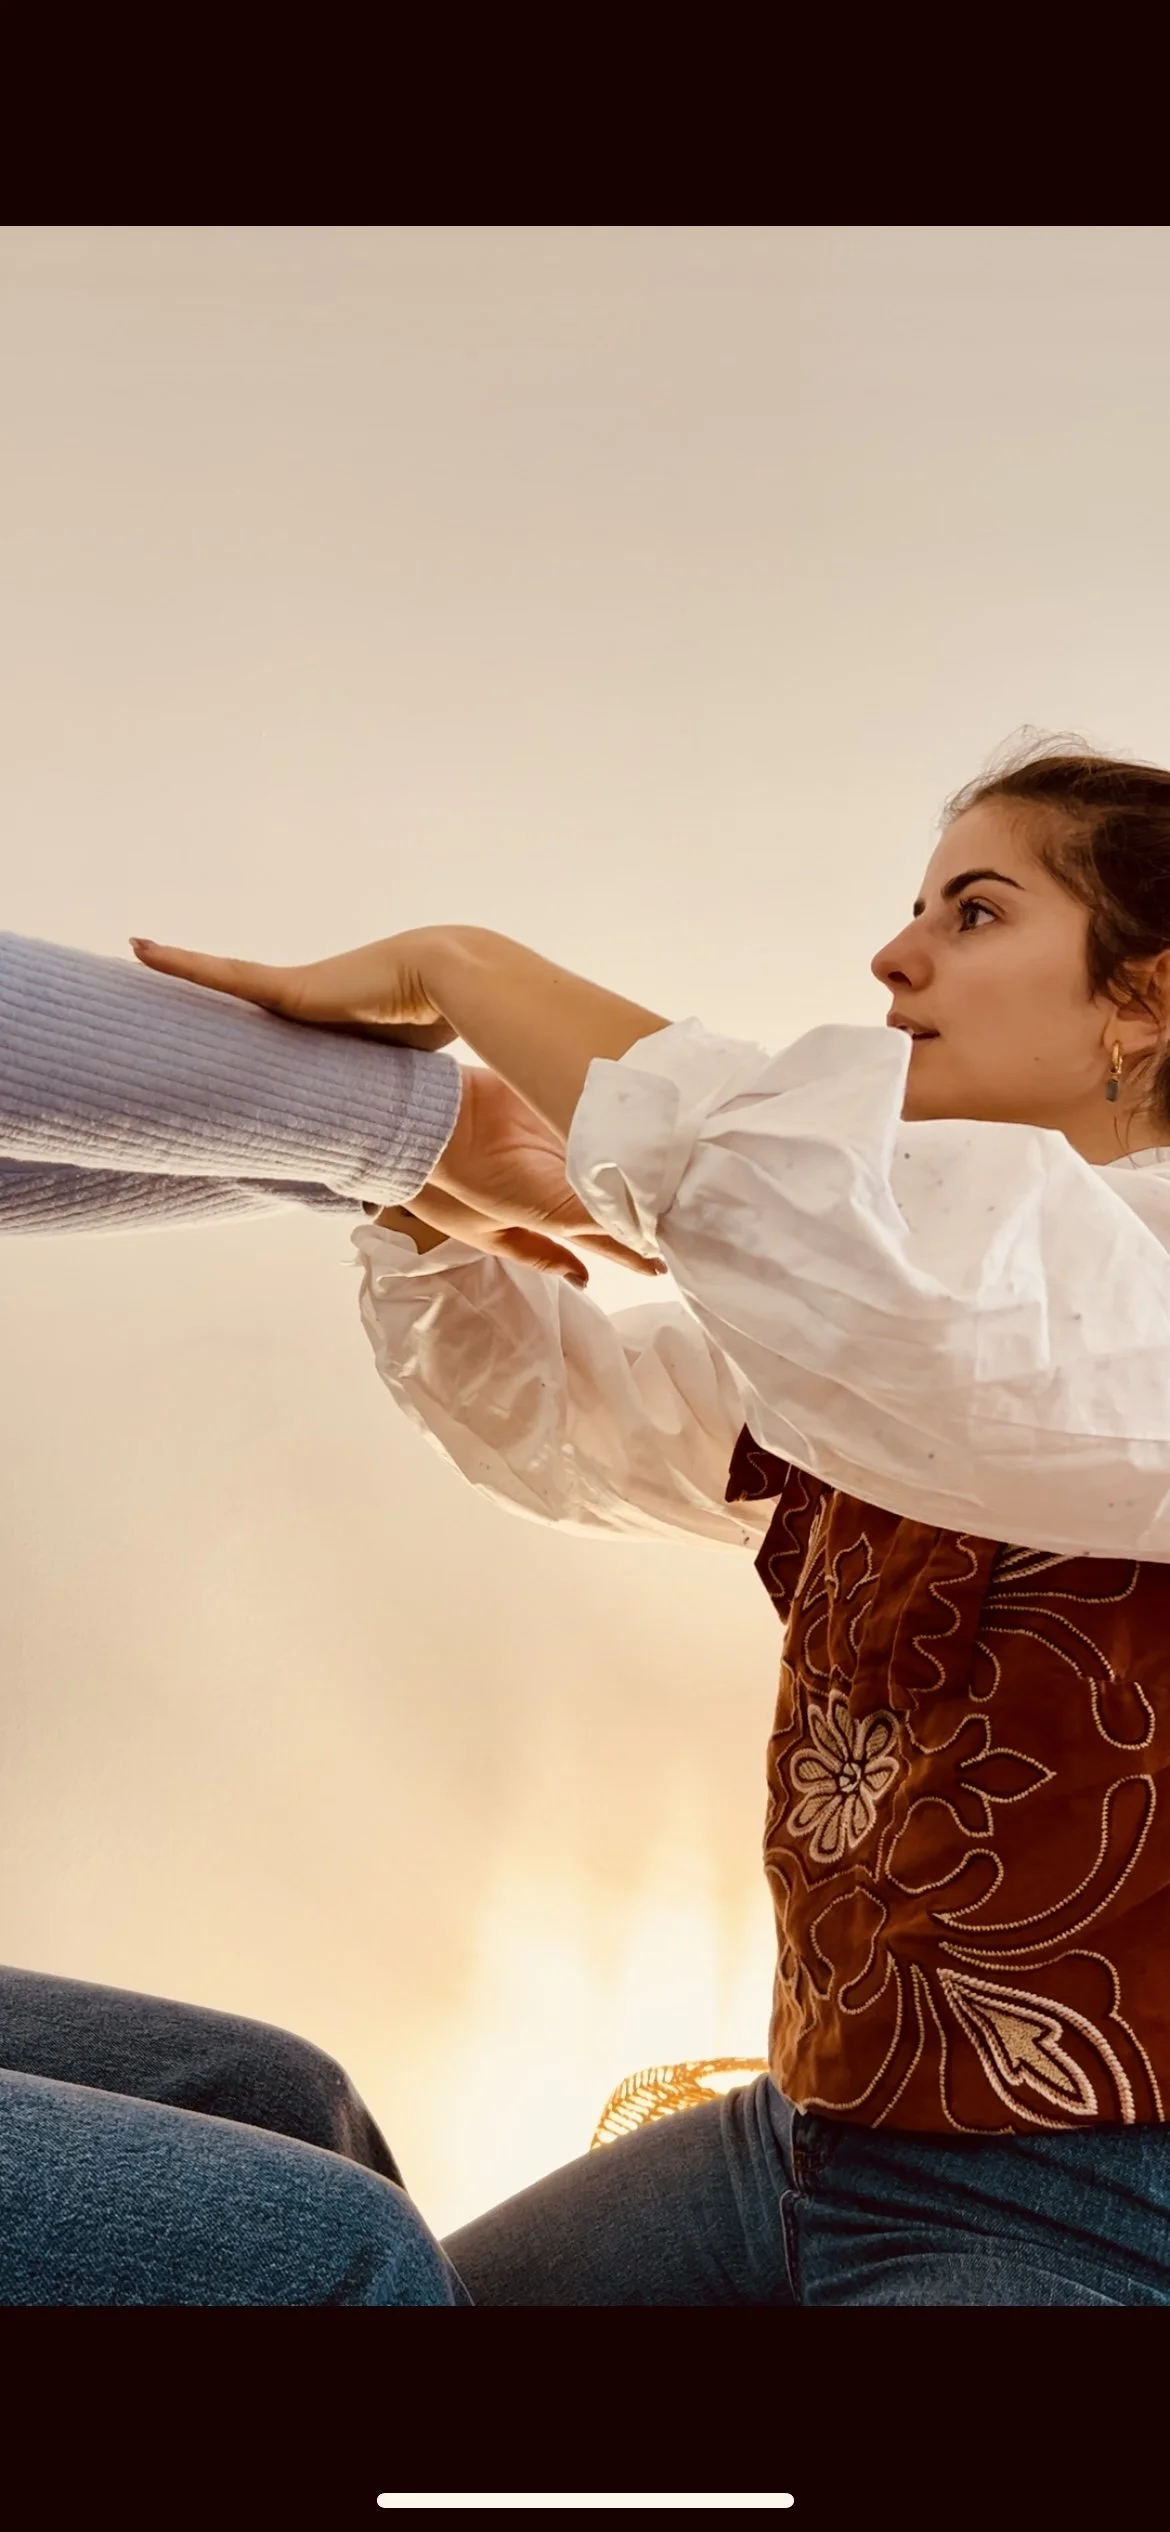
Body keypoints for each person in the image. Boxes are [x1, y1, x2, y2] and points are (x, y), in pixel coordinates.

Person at [7, 727, 1170, 2304]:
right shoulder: (900, 1332)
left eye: (972, 912)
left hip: (1091, 2199)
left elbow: (915, 1296)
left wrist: (463, 967)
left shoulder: (1038, 1306)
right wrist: (428, 1206)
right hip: (805, 2134)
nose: (893, 958)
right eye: (915, 908)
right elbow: (570, 1427)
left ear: (1141, 1000)